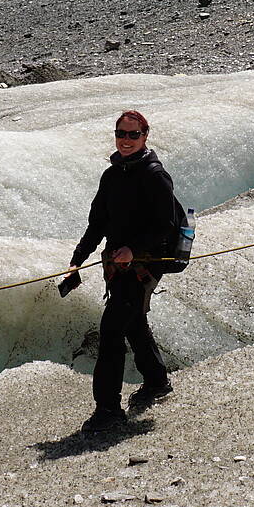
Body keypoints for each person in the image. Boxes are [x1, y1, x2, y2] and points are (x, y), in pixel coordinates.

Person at [64, 110, 178, 432]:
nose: (125, 140)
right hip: (117, 266)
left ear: (145, 136)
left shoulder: (155, 175)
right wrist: (77, 259)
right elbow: (97, 224)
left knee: (112, 330)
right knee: (132, 322)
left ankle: (108, 410)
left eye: (132, 134)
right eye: (121, 134)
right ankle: (156, 381)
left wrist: (134, 250)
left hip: (144, 264)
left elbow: (165, 227)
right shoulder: (111, 177)